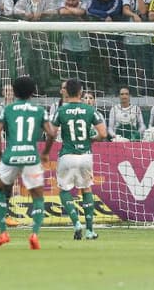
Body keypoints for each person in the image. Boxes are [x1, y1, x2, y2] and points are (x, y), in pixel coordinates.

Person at [0, 76, 55, 249]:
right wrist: (46, 153)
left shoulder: (7, 109)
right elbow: (51, 133)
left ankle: (3, 233)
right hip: (31, 157)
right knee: (37, 196)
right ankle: (34, 234)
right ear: (33, 92)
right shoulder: (39, 110)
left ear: (15, 91)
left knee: (1, 191)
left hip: (10, 156)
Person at [51, 78, 107, 240]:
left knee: (64, 190)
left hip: (67, 155)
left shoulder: (61, 111)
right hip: (85, 156)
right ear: (81, 92)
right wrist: (91, 139)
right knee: (87, 189)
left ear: (66, 92)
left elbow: (52, 133)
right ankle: (90, 230)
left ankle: (76, 222)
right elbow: (103, 134)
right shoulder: (90, 110)